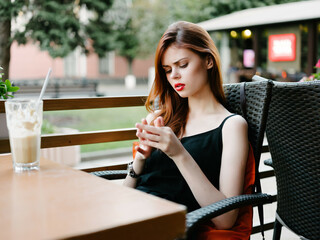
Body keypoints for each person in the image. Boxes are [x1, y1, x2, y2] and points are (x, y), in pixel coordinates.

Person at [123, 21, 252, 239]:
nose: (174, 75)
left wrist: (179, 154)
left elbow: (226, 219)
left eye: (182, 65)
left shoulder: (231, 126)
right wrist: (140, 160)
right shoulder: (162, 118)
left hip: (168, 228)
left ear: (208, 61)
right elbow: (125, 194)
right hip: (131, 217)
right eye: (167, 70)